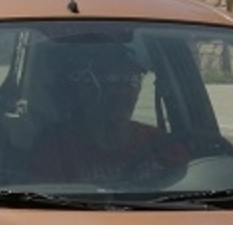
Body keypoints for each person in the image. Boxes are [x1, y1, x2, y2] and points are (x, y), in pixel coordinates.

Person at [27, 43, 187, 185]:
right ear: (85, 89)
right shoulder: (57, 147)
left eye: (132, 81)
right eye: (112, 81)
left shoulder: (160, 144)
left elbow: (193, 181)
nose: (123, 92)